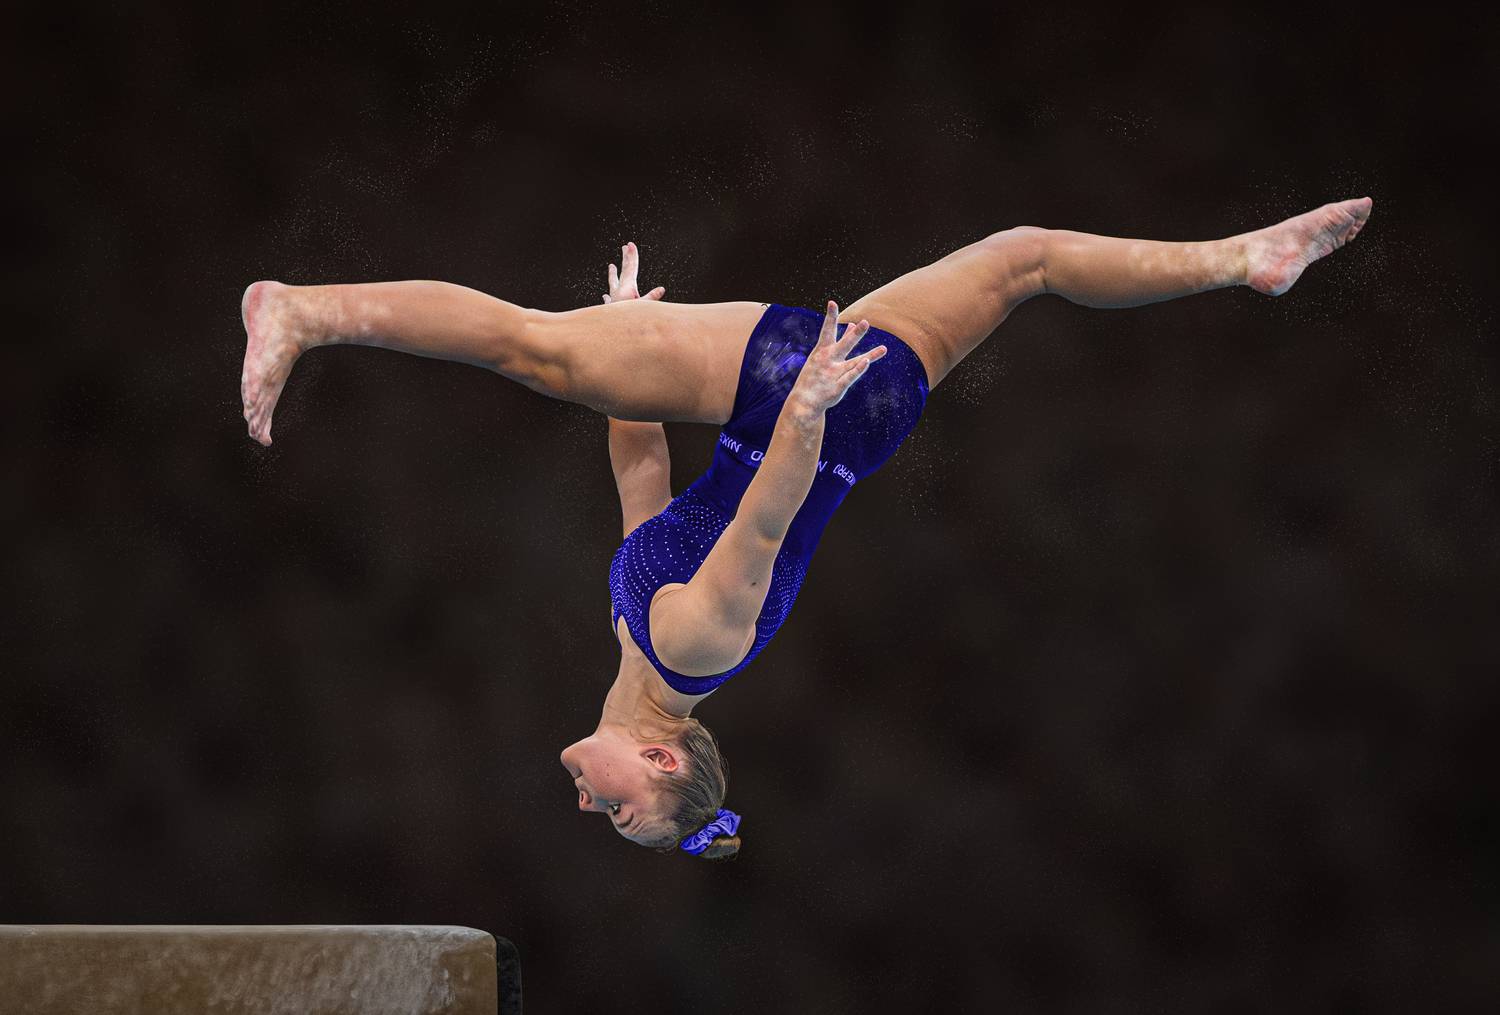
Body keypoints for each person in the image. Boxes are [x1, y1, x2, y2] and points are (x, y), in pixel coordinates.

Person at [240, 197, 1373, 859]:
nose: (593, 806)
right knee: (532, 345)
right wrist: (802, 407)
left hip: (831, 405)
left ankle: (1241, 259)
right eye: (625, 812)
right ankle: (304, 309)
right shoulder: (696, 652)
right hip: (803, 403)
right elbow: (766, 517)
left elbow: (642, 470)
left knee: (1027, 257)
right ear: (661, 757)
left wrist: (628, 344)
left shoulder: (641, 648)